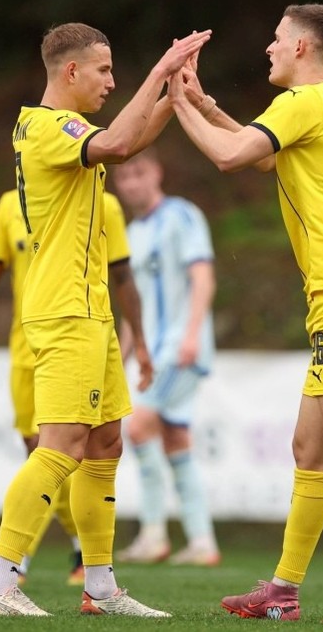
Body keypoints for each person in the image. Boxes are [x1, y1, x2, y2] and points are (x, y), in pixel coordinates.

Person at [167, 3, 323, 624]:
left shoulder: (301, 104)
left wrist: (178, 103)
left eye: (277, 39)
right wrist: (208, 106)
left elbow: (229, 157)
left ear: (302, 47)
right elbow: (269, 155)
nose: (269, 49)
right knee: (309, 449)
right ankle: (282, 590)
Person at [0, 22, 209, 618]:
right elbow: (116, 145)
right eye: (104, 70)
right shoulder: (51, 126)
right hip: (64, 310)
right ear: (70, 71)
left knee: (105, 444)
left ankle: (101, 588)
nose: (111, 79)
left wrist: (173, 96)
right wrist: (159, 74)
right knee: (61, 445)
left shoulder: (63, 127)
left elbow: (127, 140)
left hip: (91, 311)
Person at [0, 188, 152, 586]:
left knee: (84, 449)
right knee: (47, 454)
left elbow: (122, 275)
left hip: (86, 339)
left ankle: (24, 568)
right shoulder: (11, 204)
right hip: (28, 350)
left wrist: (138, 339)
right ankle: (58, 556)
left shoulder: (105, 205)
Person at [111, 151, 220, 566]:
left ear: (156, 171)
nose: (132, 184)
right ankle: (202, 541)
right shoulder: (131, 232)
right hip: (151, 354)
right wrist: (121, 356)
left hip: (178, 349)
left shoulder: (182, 215)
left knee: (137, 428)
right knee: (175, 440)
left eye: (139, 173)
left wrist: (191, 335)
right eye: (124, 178)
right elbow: (130, 308)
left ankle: (154, 534)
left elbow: (203, 277)